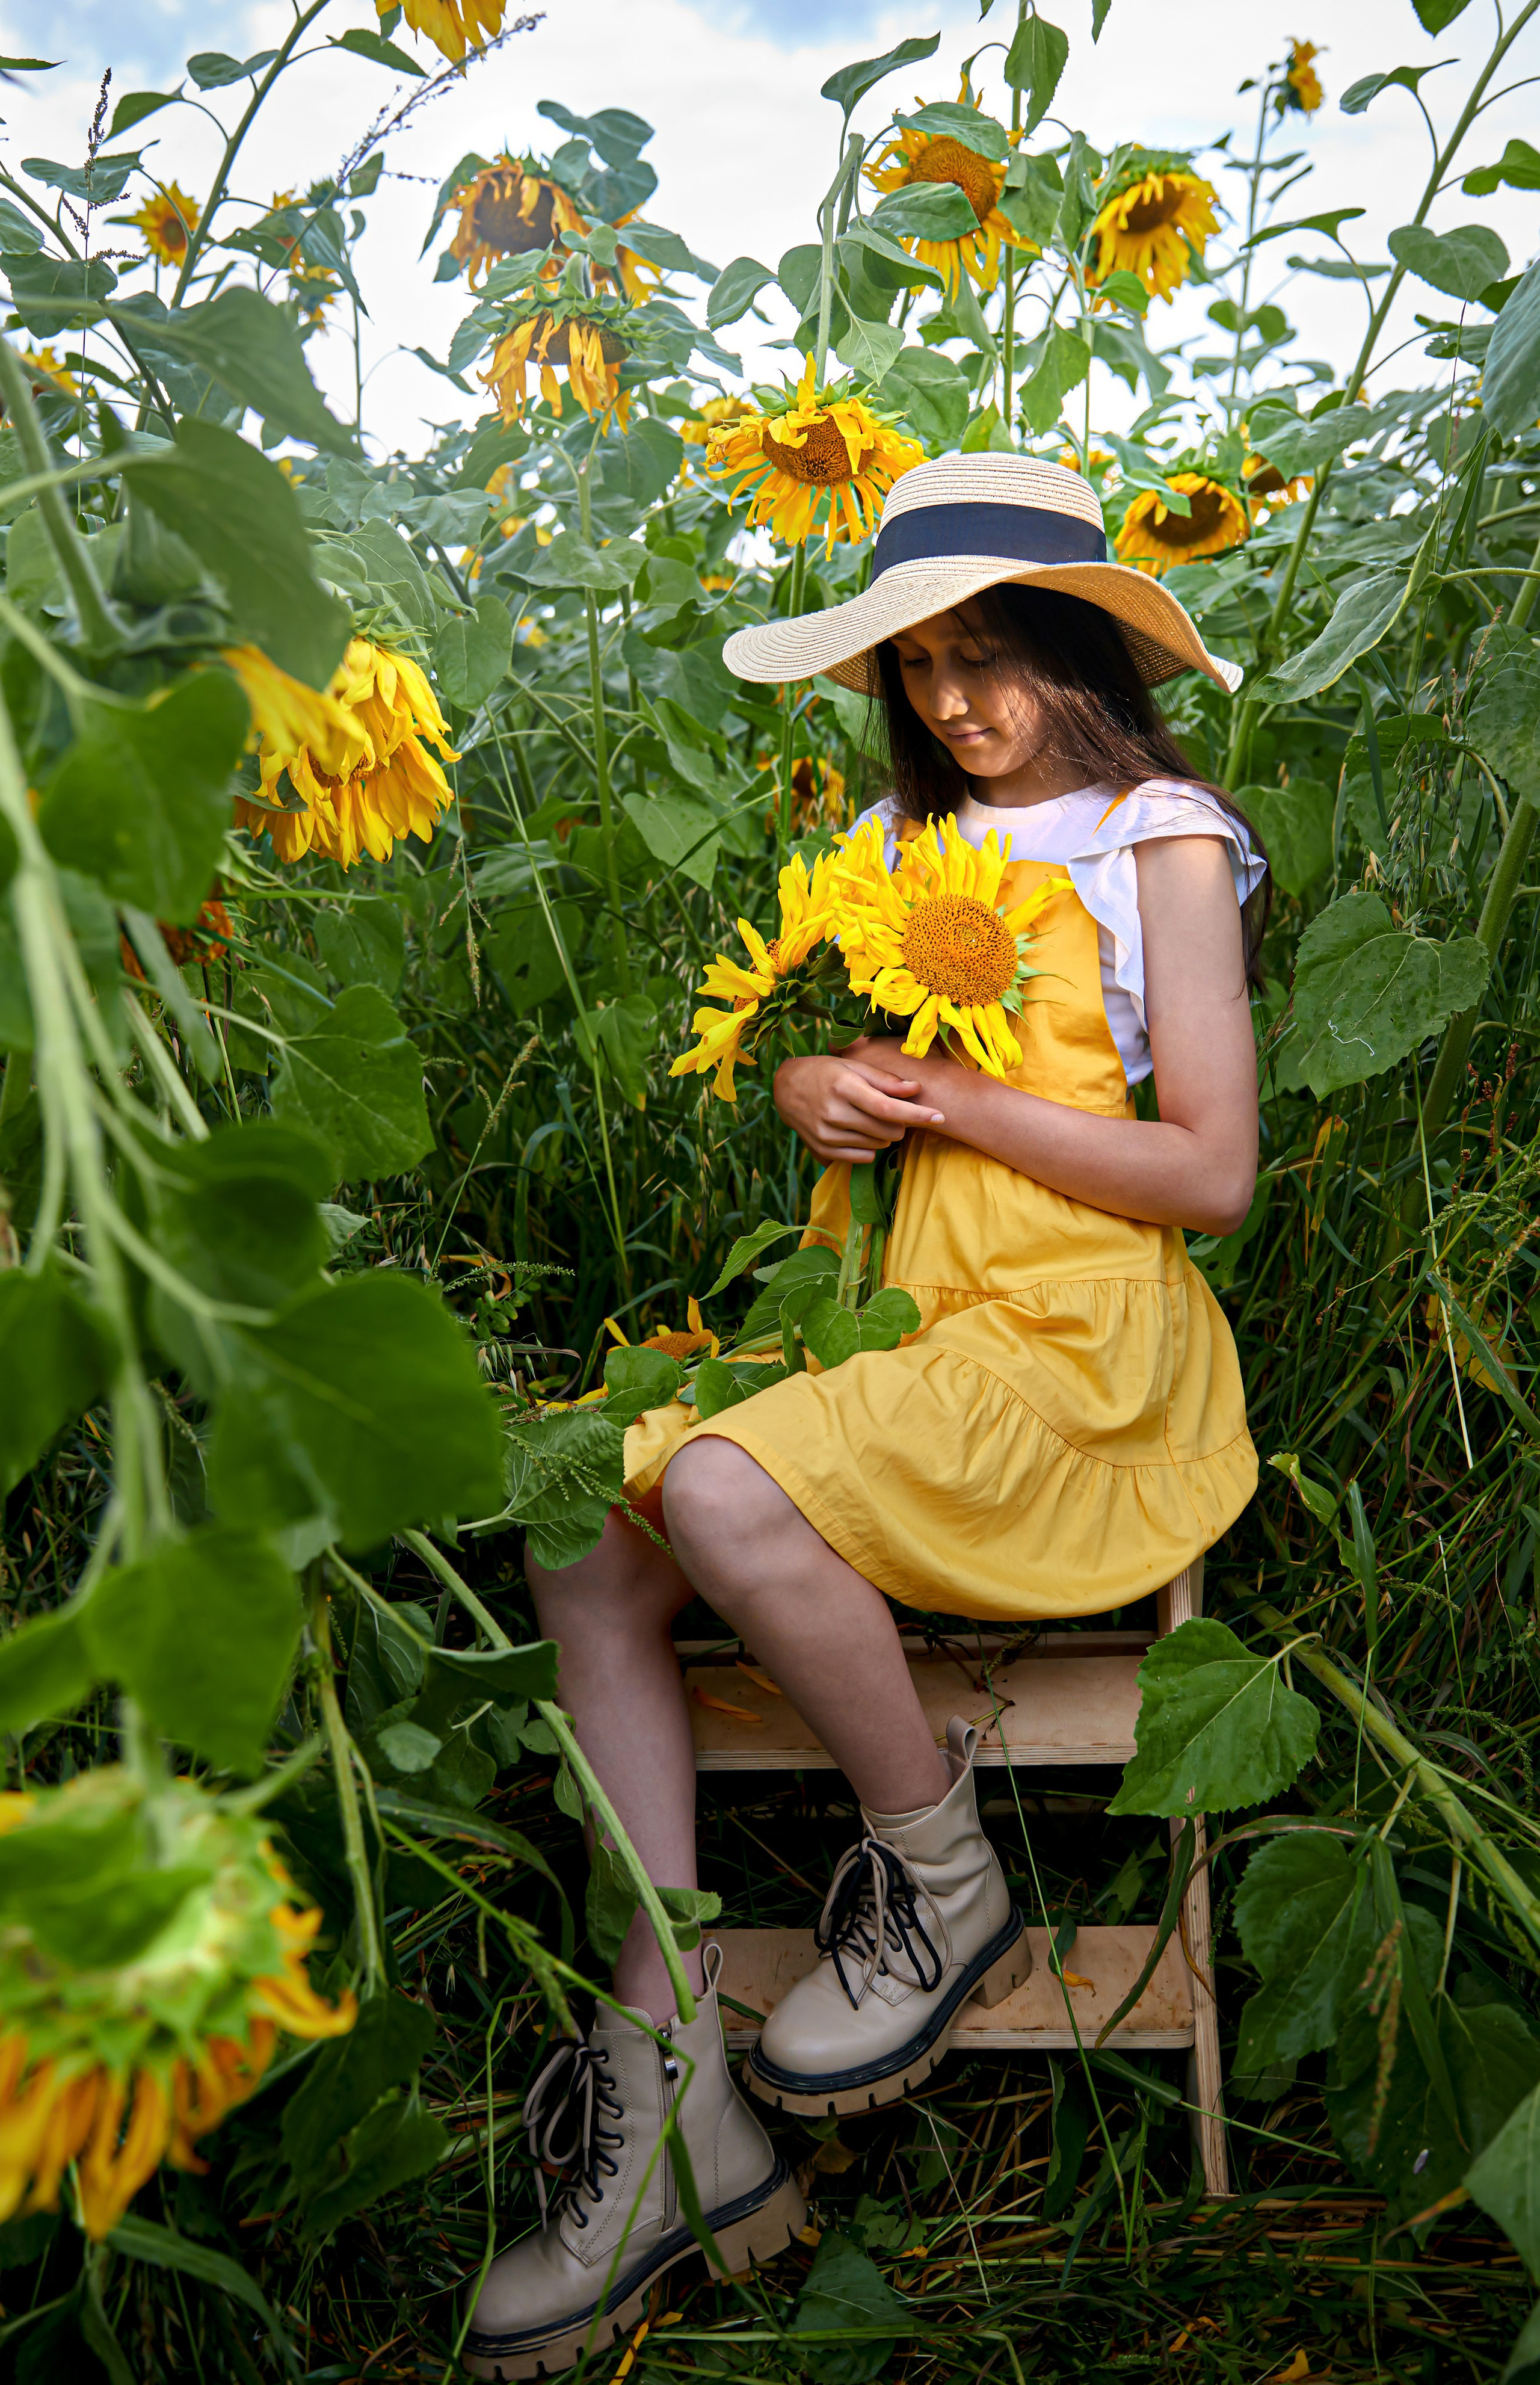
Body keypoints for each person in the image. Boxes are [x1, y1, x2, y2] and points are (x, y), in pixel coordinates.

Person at [463, 454, 1266, 2380]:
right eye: (919, 671)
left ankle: (945, 1876)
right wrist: (822, 1081)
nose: (958, 705)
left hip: (1080, 1346)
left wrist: (958, 1106)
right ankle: (669, 2101)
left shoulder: (1157, 833)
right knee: (579, 1516)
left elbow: (1216, 1171)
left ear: (1082, 647)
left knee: (728, 1492)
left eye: (994, 659)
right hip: (902, 1315)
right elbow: (894, 1076)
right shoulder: (907, 859)